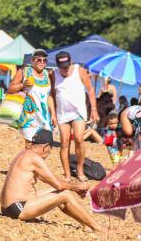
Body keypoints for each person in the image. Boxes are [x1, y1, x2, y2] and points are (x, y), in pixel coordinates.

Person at [0, 129, 102, 232]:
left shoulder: (24, 154)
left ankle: (86, 224)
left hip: (7, 207)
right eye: (51, 149)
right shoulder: (34, 158)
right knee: (65, 195)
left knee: (60, 192)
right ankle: (97, 227)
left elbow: (50, 180)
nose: (49, 153)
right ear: (45, 147)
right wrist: (77, 187)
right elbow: (59, 185)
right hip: (17, 208)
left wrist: (74, 188)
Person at [51, 51, 99, 182]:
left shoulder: (79, 70)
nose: (65, 70)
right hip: (62, 113)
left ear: (71, 62)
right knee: (64, 142)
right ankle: (67, 174)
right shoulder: (54, 74)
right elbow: (51, 94)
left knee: (78, 139)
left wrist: (94, 109)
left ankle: (79, 169)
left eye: (67, 66)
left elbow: (90, 89)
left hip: (78, 112)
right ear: (57, 65)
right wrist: (53, 113)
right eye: (62, 67)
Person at [9, 49, 56, 142]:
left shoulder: (48, 74)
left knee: (46, 146)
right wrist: (23, 85)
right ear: (32, 61)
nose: (42, 62)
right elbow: (10, 89)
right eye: (39, 60)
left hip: (44, 117)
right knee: (30, 146)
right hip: (29, 117)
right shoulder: (24, 71)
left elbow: (49, 96)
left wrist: (53, 114)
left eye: (44, 60)